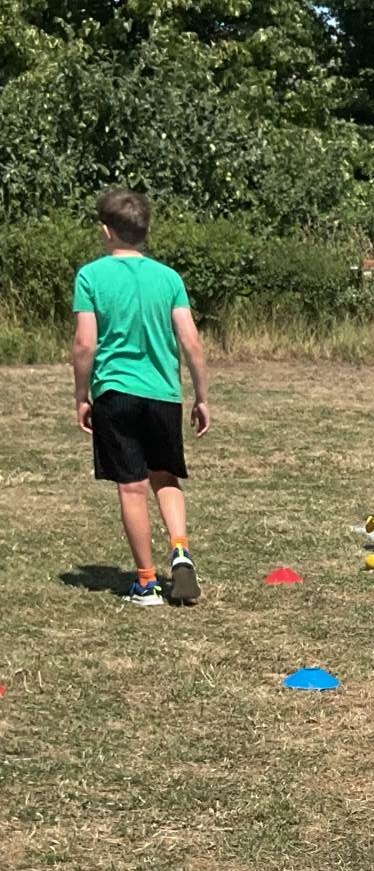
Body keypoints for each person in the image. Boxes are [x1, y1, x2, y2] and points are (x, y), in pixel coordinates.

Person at [72, 189, 210, 608]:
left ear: (106, 231)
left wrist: (82, 395)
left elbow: (84, 344)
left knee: (132, 487)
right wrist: (201, 397)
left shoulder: (91, 277)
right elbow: (191, 341)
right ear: (146, 231)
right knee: (165, 476)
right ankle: (181, 550)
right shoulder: (169, 278)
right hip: (163, 394)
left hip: (115, 392)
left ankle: (147, 584)